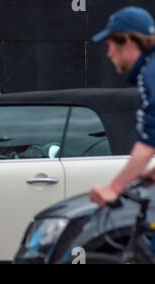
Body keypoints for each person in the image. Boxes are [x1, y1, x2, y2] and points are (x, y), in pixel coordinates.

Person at [90, 6, 155, 256]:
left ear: (127, 41)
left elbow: (149, 141)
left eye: (110, 45)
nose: (108, 54)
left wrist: (114, 188)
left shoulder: (150, 74)